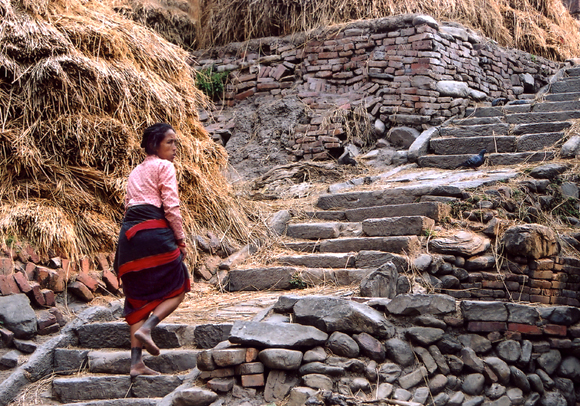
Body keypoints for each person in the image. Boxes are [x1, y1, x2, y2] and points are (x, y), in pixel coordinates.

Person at [114, 123, 190, 377]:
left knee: (136, 299)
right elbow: (171, 206)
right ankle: (148, 328)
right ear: (154, 144)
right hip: (154, 232)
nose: (175, 148)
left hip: (128, 240)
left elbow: (128, 206)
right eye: (170, 142)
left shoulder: (135, 171)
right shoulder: (164, 166)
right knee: (180, 286)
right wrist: (180, 239)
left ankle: (136, 364)